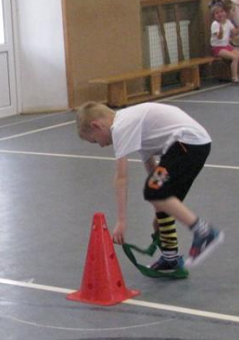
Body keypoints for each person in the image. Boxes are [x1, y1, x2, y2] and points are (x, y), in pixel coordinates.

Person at [76, 102, 223, 270]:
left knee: (154, 191)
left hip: (187, 144)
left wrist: (122, 221)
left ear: (96, 125)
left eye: (95, 141)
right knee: (160, 203)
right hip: (194, 145)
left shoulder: (120, 127)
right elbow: (151, 167)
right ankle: (171, 258)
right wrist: (159, 200)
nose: (101, 145)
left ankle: (205, 232)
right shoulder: (133, 125)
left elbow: (121, 177)